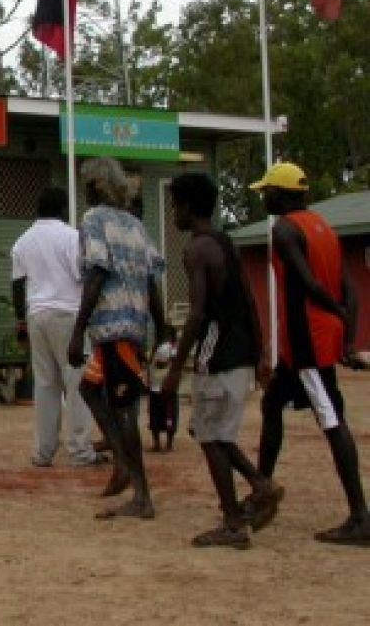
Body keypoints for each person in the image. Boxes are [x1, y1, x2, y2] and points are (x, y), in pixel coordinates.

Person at [248, 162, 370, 545]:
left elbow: (308, 281)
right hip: (307, 341)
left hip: (307, 343)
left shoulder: (285, 228)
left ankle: (361, 516)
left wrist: (332, 312)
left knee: (332, 420)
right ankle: (261, 490)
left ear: (282, 194)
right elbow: (348, 288)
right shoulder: (323, 228)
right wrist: (347, 334)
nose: (264, 196)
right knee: (271, 407)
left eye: (267, 191)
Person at [161, 172, 282, 549]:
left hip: (217, 357)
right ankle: (261, 486)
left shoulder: (196, 249)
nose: (173, 213)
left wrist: (176, 369)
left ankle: (232, 523)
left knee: (211, 438)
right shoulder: (225, 242)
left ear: (186, 206)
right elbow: (248, 300)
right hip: (241, 353)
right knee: (213, 433)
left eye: (174, 205)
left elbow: (196, 315)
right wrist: (260, 352)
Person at [68, 157, 166, 519]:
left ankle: (141, 495)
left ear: (95, 185)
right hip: (134, 325)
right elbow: (152, 277)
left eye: (86, 182)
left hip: (113, 325)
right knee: (89, 389)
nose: (82, 188)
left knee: (124, 409)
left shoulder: (93, 220)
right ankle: (123, 464)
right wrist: (161, 324)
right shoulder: (136, 225)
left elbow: (96, 272)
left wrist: (77, 331)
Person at [11, 186, 100, 467]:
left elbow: (17, 285)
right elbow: (83, 279)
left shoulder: (22, 241)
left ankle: (43, 452)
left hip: (37, 315)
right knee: (75, 384)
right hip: (68, 315)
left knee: (45, 385)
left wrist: (21, 321)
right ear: (63, 209)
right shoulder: (72, 237)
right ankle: (80, 451)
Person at [146, 334, 178, 453]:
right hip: (157, 390)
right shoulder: (154, 352)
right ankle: (160, 443)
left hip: (166, 391)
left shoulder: (170, 349)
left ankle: (167, 443)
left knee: (168, 417)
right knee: (159, 417)